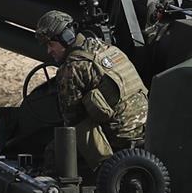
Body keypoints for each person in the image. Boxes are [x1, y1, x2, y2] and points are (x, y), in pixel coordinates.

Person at [34, 11, 147, 176]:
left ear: (65, 38)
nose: (49, 51)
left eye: (51, 44)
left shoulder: (72, 68)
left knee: (56, 150)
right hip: (143, 124)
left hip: (121, 134)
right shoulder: (103, 47)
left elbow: (72, 120)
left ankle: (99, 175)